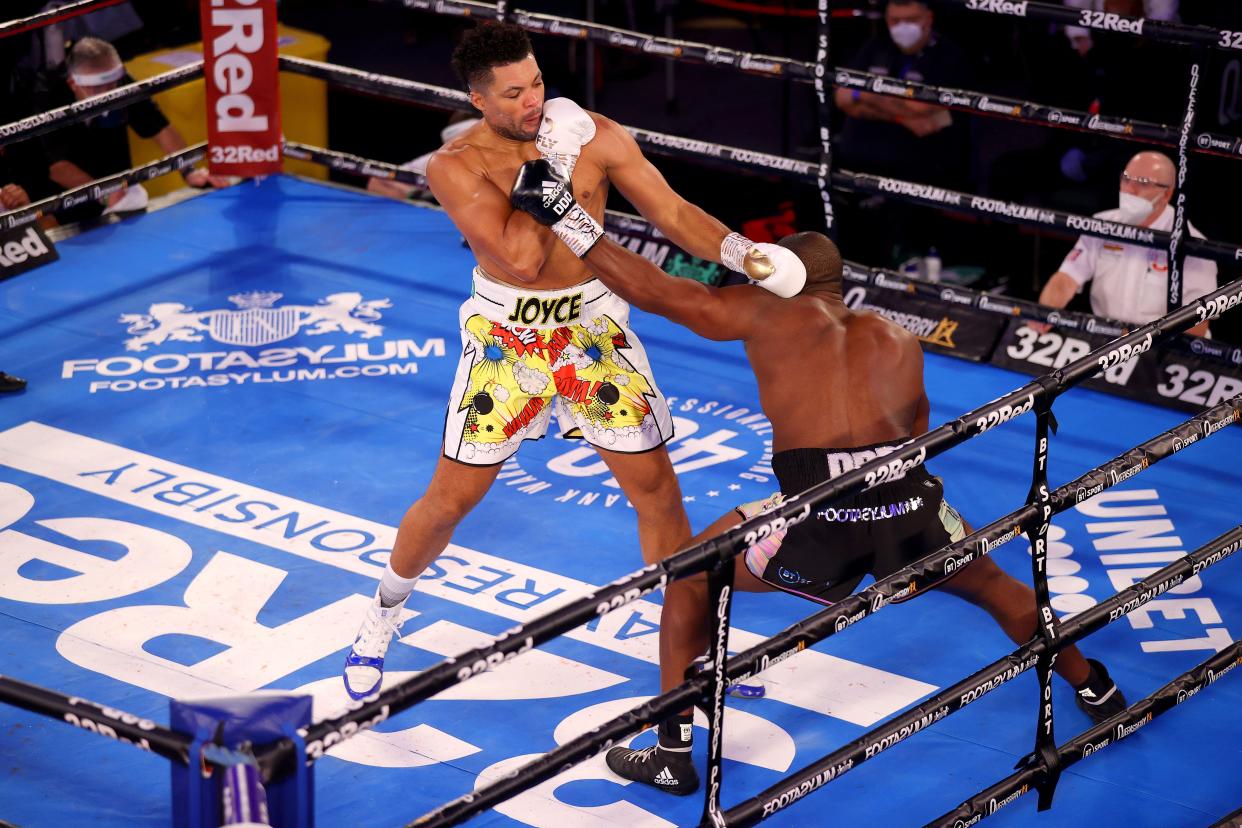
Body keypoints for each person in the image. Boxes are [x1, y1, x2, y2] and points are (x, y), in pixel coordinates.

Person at [510, 165, 1129, 794]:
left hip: (820, 515)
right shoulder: (899, 339)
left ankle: (671, 750)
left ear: (781, 276)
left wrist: (565, 212)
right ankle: (1095, 686)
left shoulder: (766, 314)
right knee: (998, 587)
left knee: (690, 573)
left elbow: (656, 290)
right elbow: (916, 435)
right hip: (908, 503)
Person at [340, 23, 807, 700]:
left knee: (656, 492)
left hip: (592, 331)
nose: (532, 102)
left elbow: (672, 212)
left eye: (535, 83)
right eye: (513, 93)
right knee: (449, 501)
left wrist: (745, 254)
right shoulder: (455, 168)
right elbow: (522, 258)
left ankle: (690, 656)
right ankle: (383, 611)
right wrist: (550, 170)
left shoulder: (594, 132)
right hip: (507, 343)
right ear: (478, 101)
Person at [33, 37, 226, 221]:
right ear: (73, 84)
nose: (107, 94)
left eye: (112, 83)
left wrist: (189, 170)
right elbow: (56, 166)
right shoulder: (48, 96)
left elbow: (160, 127)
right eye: (95, 88)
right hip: (64, 197)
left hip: (115, 181)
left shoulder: (122, 84)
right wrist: (104, 193)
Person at [1037, 151, 1217, 337]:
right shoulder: (1102, 223)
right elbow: (1066, 279)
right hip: (1105, 339)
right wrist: (1044, 314)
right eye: (1126, 179)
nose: (1129, 189)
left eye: (1143, 183)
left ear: (1166, 194)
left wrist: (1146, 348)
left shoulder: (1193, 245)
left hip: (1162, 348)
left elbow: (1197, 322)